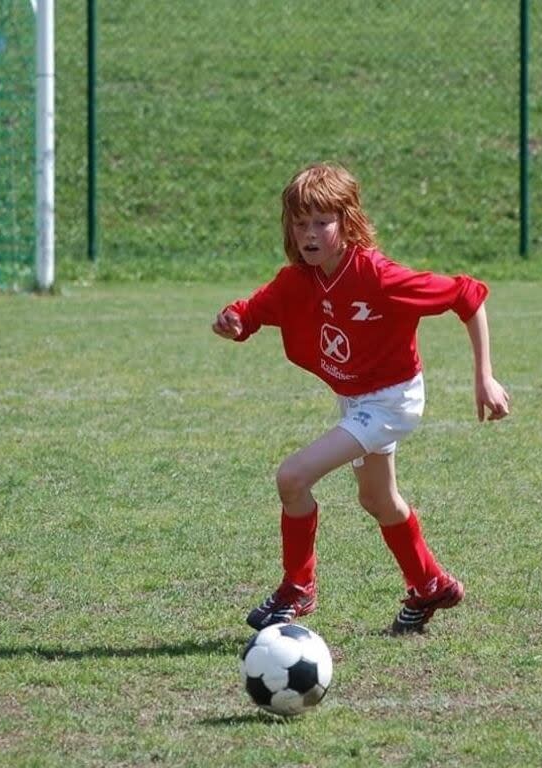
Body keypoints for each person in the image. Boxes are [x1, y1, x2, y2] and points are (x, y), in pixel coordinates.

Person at [212, 162, 510, 634]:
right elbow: (253, 311)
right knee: (378, 499)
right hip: (357, 399)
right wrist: (232, 319)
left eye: (322, 222)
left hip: (392, 401)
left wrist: (485, 378)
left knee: (292, 478)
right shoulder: (298, 281)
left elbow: (467, 296)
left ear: (347, 222)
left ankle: (298, 587)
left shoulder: (379, 276)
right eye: (300, 222)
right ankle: (429, 584)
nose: (309, 234)